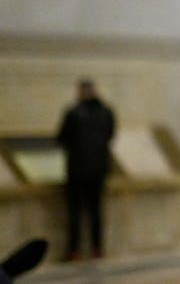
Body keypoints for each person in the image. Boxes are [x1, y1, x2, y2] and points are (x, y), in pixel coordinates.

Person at [56, 79, 116, 261]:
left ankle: (74, 251)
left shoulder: (74, 113)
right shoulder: (106, 112)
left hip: (77, 170)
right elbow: (111, 134)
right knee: (95, 211)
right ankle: (97, 248)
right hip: (99, 170)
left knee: (75, 212)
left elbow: (62, 138)